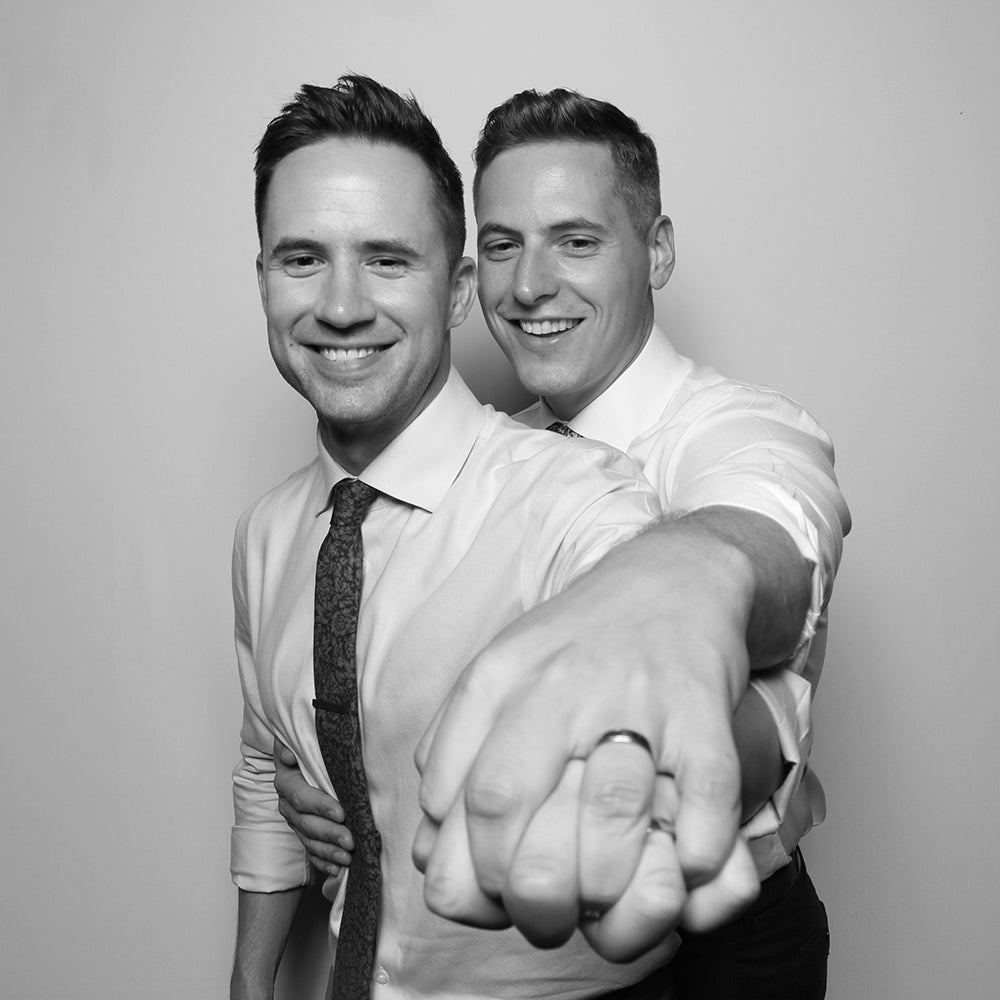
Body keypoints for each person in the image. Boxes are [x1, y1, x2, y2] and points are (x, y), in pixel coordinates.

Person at [275, 87, 850, 998]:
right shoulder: (489, 456)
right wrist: (349, 796)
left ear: (656, 252)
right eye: (503, 245)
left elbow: (772, 526)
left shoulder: (740, 432)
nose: (529, 285)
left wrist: (688, 568)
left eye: (576, 241)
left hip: (727, 942)